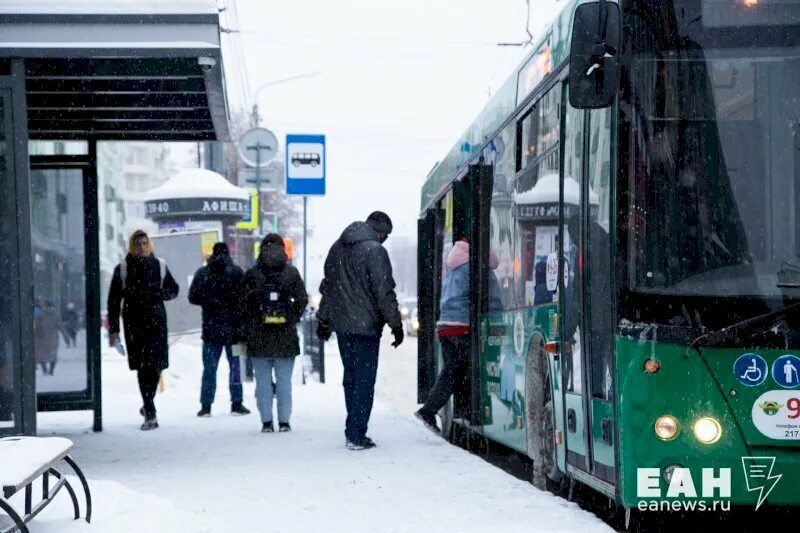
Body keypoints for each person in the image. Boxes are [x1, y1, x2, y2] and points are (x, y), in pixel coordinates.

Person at [316, 211, 403, 450]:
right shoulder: (375, 251)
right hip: (366, 328)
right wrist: (395, 324)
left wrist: (323, 320)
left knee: (351, 378)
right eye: (385, 235)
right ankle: (356, 434)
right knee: (364, 381)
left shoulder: (337, 248)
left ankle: (352, 428)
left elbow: (329, 287)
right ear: (380, 231)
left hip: (343, 326)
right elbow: (384, 291)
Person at [414, 238, 503, 433]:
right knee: (475, 368)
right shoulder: (475, 266)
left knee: (452, 370)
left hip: (447, 325)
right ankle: (466, 410)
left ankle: (431, 409)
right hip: (462, 325)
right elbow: (492, 298)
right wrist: (501, 318)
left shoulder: (456, 265)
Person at [107, 230, 179, 430]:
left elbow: (174, 289)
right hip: (134, 325)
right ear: (132, 245)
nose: (141, 247)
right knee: (142, 367)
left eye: (145, 243)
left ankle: (148, 404)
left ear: (149, 245)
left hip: (157, 324)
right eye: (138, 244)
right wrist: (114, 330)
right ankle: (150, 412)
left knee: (157, 366)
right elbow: (113, 301)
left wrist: (160, 294)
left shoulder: (160, 265)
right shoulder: (123, 269)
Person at [239, 234, 308, 433]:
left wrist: (254, 321)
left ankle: (267, 422)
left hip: (259, 337)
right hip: (285, 337)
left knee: (263, 383)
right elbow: (302, 300)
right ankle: (284, 422)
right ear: (282, 248)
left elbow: (242, 305)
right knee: (284, 382)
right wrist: (291, 318)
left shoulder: (252, 274)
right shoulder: (291, 273)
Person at [188, 242, 250, 417]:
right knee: (236, 367)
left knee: (209, 368)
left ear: (212, 253)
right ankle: (237, 404)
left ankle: (206, 406)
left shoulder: (203, 273)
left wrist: (209, 302)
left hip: (210, 330)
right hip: (235, 331)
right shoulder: (237, 273)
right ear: (228, 253)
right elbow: (246, 299)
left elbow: (192, 297)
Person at [34, 300, 63, 376]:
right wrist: (66, 338)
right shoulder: (56, 315)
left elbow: (36, 326)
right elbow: (61, 327)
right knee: (53, 355)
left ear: (45, 305)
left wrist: (35, 335)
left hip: (41, 337)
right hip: (53, 337)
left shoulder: (40, 315)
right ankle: (51, 370)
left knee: (41, 354)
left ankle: (44, 370)